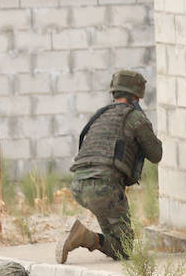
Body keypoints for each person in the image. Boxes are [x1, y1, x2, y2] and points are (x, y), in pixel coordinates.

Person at [57, 69, 163, 263]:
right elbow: (156, 155)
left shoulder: (100, 116)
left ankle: (84, 236)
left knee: (116, 242)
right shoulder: (135, 118)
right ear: (136, 95)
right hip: (105, 188)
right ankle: (83, 237)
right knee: (124, 250)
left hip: (80, 185)